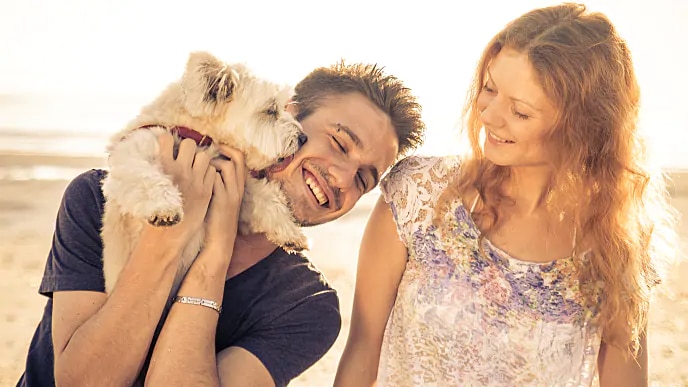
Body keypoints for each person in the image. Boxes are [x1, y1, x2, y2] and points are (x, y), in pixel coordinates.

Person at [17, 61, 425, 387]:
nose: (341, 177)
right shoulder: (101, 196)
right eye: (338, 142)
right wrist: (174, 231)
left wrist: (216, 248)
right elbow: (82, 381)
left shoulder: (308, 307)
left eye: (364, 179)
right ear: (287, 115)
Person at [335, 3, 679, 386]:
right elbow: (362, 350)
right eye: (489, 89)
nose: (490, 115)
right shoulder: (420, 195)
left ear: (581, 128)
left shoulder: (612, 251)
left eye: (520, 111)